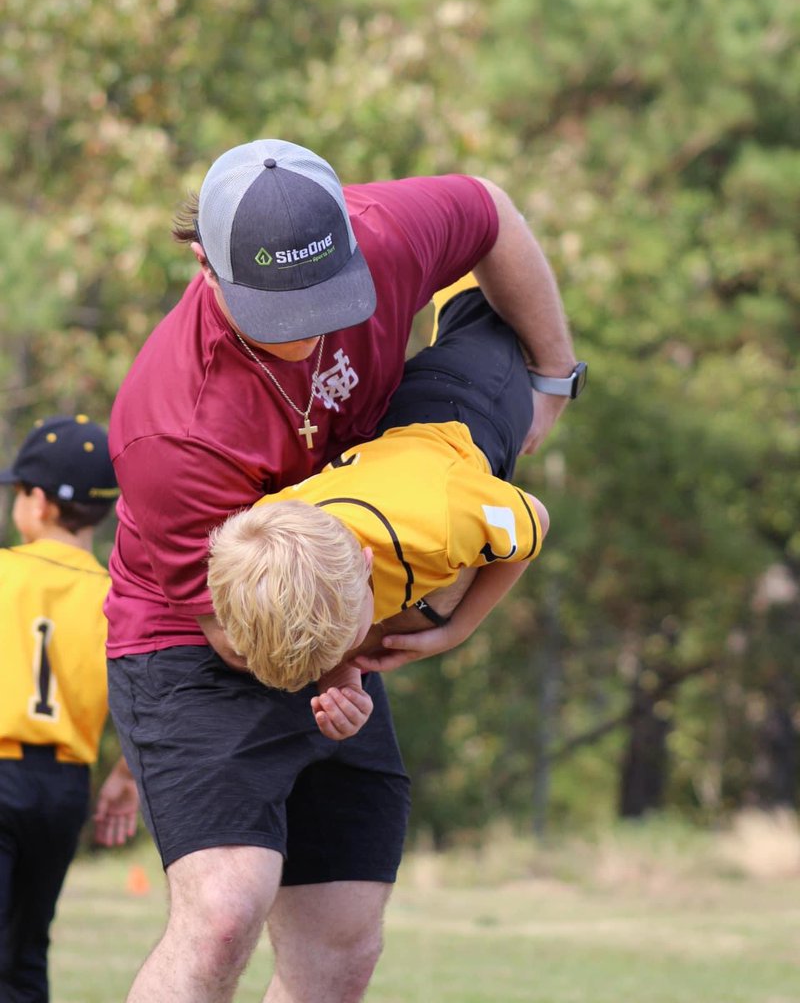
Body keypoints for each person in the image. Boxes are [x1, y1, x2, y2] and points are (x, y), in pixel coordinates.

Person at [106, 137, 584, 1003]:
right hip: (200, 636)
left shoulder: (387, 229)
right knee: (223, 910)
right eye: (277, 313)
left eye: (326, 302)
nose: (309, 335)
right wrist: (355, 661)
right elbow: (243, 633)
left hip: (334, 598)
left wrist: (554, 372)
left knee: (342, 938)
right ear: (204, 264)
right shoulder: (170, 426)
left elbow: (490, 211)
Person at [208, 276, 553, 742]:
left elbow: (535, 518)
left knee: (488, 314)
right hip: (400, 432)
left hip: (476, 404)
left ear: (367, 561)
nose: (347, 650)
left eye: (347, 642)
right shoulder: (277, 523)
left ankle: (481, 221)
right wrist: (340, 677)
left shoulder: (443, 521)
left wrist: (458, 631)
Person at [0, 415, 140, 1003]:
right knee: (26, 953)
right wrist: (124, 777)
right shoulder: (118, 595)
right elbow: (146, 691)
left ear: (37, 503)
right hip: (62, 788)